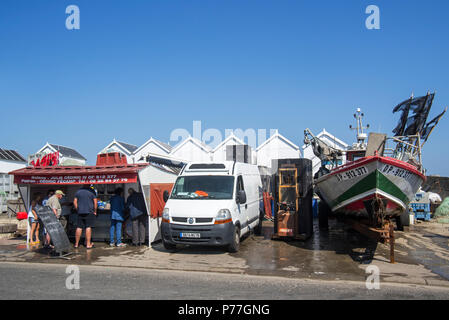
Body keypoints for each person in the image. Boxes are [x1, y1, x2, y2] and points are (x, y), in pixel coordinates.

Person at [73, 185, 97, 249]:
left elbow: (75, 202)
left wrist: (77, 209)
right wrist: (95, 211)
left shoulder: (78, 191)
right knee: (88, 227)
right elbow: (95, 202)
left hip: (80, 212)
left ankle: (76, 244)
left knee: (79, 227)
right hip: (89, 212)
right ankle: (88, 244)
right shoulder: (92, 191)